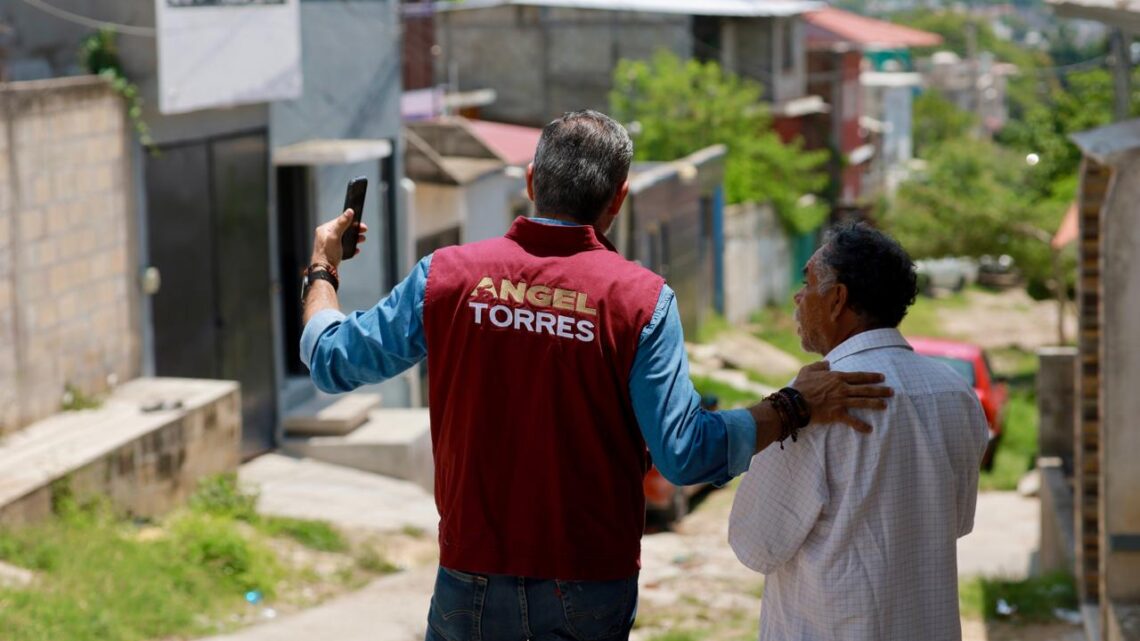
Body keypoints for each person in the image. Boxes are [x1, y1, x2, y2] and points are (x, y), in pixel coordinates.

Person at [299, 110, 892, 641]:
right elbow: (686, 455)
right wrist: (791, 406)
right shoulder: (641, 301)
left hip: (470, 580)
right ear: (620, 197)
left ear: (531, 182)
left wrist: (323, 267)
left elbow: (330, 357)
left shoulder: (446, 277)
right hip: (589, 590)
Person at [727, 223, 990, 641]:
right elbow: (951, 522)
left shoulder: (817, 403)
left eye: (807, 283)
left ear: (837, 299)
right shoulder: (956, 394)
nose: (798, 298)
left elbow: (755, 544)